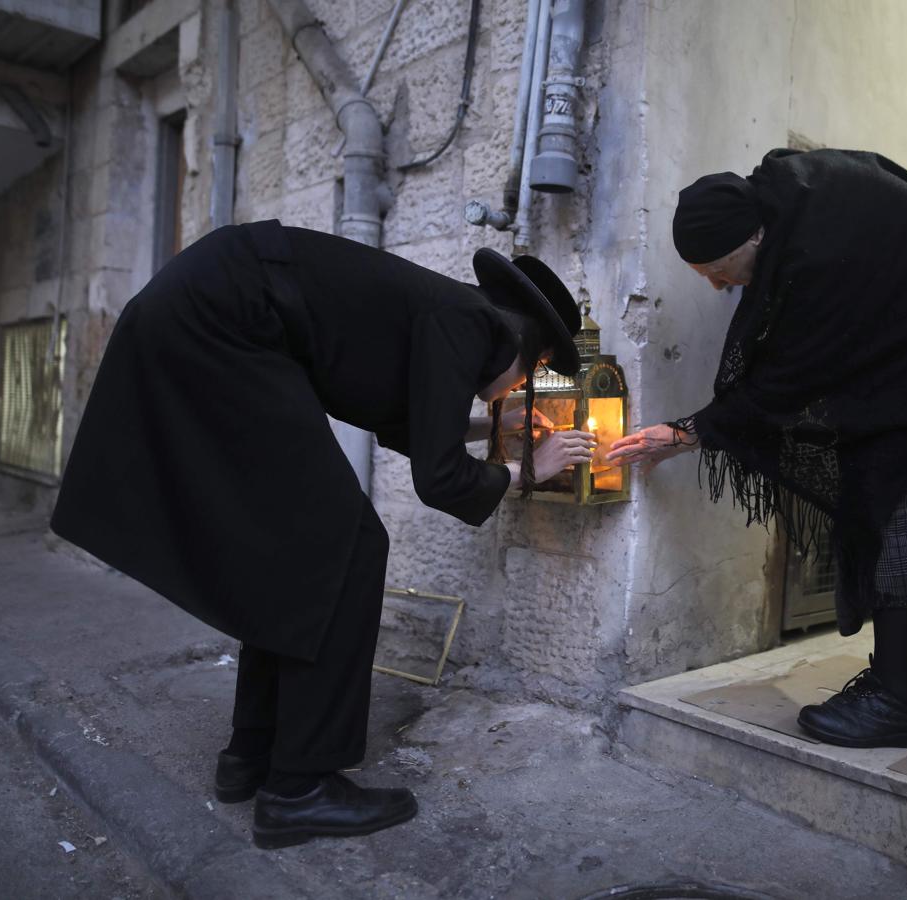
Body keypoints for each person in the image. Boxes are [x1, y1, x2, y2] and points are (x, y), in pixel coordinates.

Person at [50, 219, 595, 847]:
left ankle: (253, 754)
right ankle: (301, 787)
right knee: (349, 546)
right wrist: (528, 469)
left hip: (207, 311)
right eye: (530, 378)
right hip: (228, 319)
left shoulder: (445, 312)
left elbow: (416, 429)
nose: (520, 391)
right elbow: (438, 479)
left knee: (298, 546)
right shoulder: (470, 322)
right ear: (531, 352)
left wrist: (488, 426)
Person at [608, 149, 907, 749]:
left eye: (717, 269)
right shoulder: (789, 197)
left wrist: (685, 433)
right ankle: (895, 679)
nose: (719, 285)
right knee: (879, 491)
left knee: (891, 494)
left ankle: (901, 702)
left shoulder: (817, 250)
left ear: (752, 236)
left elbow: (787, 380)